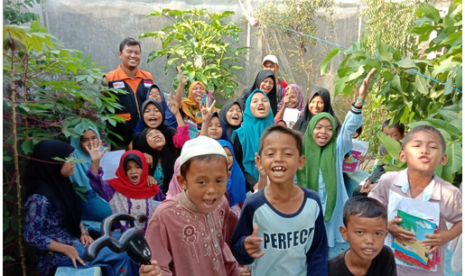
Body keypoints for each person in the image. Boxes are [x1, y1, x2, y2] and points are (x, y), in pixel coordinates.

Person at [23, 140, 138, 276]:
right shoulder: (39, 199)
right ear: (52, 163)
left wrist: (83, 232)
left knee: (126, 239)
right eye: (67, 159)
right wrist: (65, 249)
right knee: (120, 251)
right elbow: (31, 236)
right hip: (58, 252)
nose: (73, 162)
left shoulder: (61, 184)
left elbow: (74, 214)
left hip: (74, 237)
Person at [231, 125, 328, 275]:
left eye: (288, 154)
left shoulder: (312, 202)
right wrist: (245, 247)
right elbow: (238, 251)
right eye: (270, 154)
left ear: (301, 161)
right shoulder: (253, 205)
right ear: (260, 161)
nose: (278, 159)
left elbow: (318, 252)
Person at [296, 68, 376, 249]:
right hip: (304, 213)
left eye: (328, 128)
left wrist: (360, 100)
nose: (323, 132)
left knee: (327, 252)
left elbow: (348, 127)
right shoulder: (300, 150)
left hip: (332, 216)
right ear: (310, 130)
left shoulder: (337, 148)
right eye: (318, 128)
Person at [369, 125, 462, 276]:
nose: (424, 150)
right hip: (389, 264)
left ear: (443, 159)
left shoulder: (448, 193)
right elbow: (371, 208)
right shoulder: (389, 181)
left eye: (432, 146)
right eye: (417, 145)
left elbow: (461, 220)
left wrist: (447, 236)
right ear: (402, 155)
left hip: (427, 270)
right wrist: (385, 225)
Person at [143, 136, 243, 276]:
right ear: (182, 181)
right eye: (202, 182)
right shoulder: (164, 217)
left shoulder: (221, 204)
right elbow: (158, 266)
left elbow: (221, 248)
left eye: (219, 181)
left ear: (227, 177)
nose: (211, 190)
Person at [87, 142, 160, 230]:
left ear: (144, 168)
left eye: (138, 167)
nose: (133, 171)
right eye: (128, 168)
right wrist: (95, 162)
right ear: (123, 170)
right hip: (122, 240)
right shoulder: (114, 189)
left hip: (150, 239)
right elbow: (96, 183)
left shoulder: (152, 188)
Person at [104, 37, 154, 149]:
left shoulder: (148, 77)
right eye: (129, 52)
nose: (133, 56)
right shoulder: (109, 79)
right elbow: (102, 110)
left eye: (137, 53)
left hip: (146, 138)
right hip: (120, 141)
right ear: (120, 54)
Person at [329, 196, 396, 276]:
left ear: (385, 235)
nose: (370, 241)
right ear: (344, 233)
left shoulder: (385, 256)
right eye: (360, 232)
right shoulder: (330, 270)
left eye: (378, 234)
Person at [233, 89, 275, 191]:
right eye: (255, 101)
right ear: (248, 107)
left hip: (277, 187)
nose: (260, 103)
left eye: (264, 100)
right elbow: (236, 164)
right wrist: (254, 184)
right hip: (250, 190)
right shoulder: (241, 134)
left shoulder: (279, 133)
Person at [69, 124, 112, 221]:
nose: (91, 143)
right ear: (77, 142)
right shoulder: (72, 161)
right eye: (85, 140)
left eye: (94, 138)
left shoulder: (107, 155)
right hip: (88, 199)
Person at [353, 120, 405, 197]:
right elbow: (380, 167)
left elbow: (401, 176)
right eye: (386, 135)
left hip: (396, 184)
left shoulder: (405, 151)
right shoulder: (383, 149)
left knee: (373, 196)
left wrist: (377, 186)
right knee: (358, 191)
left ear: (402, 136)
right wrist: (370, 181)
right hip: (381, 179)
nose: (389, 139)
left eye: (394, 135)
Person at [218, 139, 247, 213]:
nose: (227, 159)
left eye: (230, 155)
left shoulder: (239, 177)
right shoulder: (210, 179)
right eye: (223, 155)